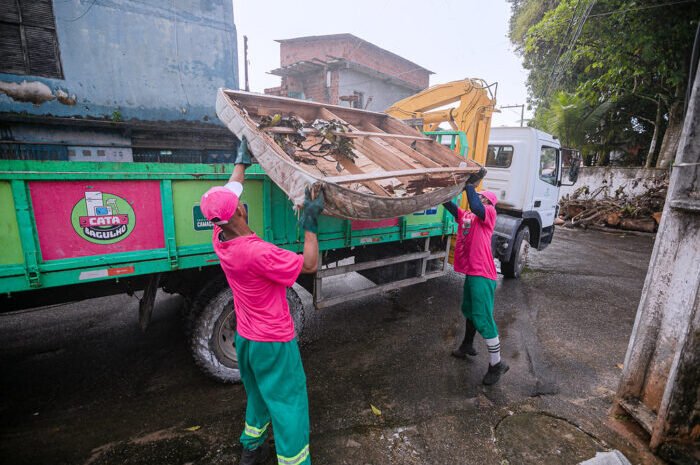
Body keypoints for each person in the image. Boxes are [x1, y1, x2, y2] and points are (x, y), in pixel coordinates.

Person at [200, 137, 323, 465]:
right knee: (289, 402)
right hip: (274, 342)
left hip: (247, 340)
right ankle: (294, 461)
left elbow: (232, 188)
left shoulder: (219, 235)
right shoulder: (257, 253)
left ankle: (251, 449)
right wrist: (310, 225)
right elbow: (309, 265)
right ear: (239, 211)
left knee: (258, 394)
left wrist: (241, 161)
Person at [443, 171, 509, 385]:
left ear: (488, 200)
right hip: (473, 272)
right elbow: (455, 210)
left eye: (481, 196)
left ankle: (497, 364)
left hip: (483, 275)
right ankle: (467, 345)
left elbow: (476, 206)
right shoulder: (470, 218)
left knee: (483, 317)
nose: (477, 197)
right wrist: (442, 195)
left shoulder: (488, 213)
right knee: (469, 310)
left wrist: (469, 185)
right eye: (478, 195)